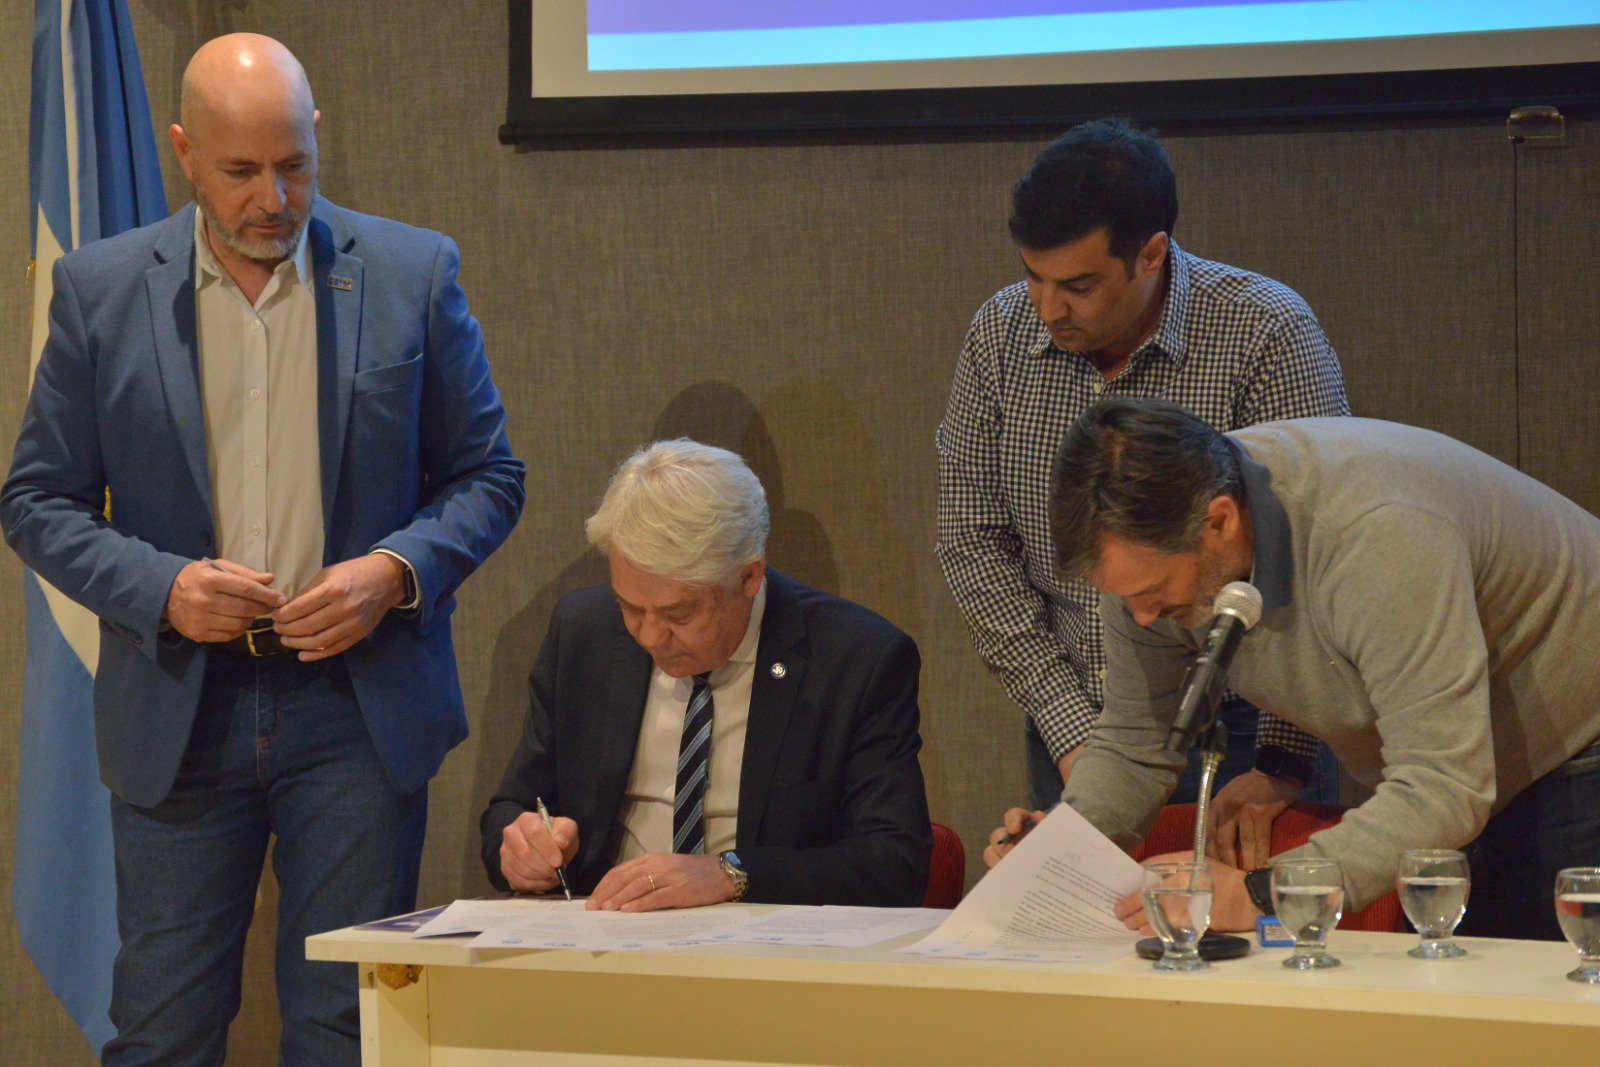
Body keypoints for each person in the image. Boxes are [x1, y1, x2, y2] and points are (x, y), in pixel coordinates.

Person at [1, 34, 525, 1066]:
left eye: (294, 164)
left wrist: (392, 573)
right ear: (184, 152)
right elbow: (35, 500)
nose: (273, 199)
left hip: (357, 705)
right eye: (241, 171)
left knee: (342, 1029)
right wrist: (161, 587)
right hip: (181, 704)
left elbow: (488, 475)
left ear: (317, 136)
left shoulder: (412, 272)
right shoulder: (101, 291)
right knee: (163, 1030)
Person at [990, 397, 1600, 941]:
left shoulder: (1376, 535)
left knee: (1543, 997)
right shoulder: (1147, 558)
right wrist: (1058, 853)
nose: (1141, 618)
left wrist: (1261, 894)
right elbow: (1134, 742)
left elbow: (1445, 784)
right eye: (1125, 597)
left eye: (1152, 593)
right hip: (1470, 759)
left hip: (1576, 728)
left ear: (1220, 522)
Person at [935, 118, 1350, 826]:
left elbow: (1310, 550)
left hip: (1244, 724)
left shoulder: (1262, 332)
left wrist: (1283, 763)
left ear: (1151, 254)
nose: (1048, 308)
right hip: (1073, 712)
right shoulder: (999, 334)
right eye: (1033, 276)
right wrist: (1071, 731)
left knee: (1245, 898)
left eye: (1078, 285)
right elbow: (971, 542)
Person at [481, 440, 931, 910]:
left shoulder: (855, 659)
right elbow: (511, 811)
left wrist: (732, 875)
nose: (650, 636)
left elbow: (894, 863)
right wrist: (521, 851)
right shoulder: (584, 632)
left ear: (748, 578)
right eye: (630, 607)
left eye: (678, 614)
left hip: (761, 941)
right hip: (605, 929)